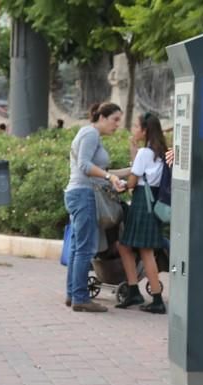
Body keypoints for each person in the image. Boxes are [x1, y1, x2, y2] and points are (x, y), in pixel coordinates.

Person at [65, 102, 126, 313]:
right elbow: (84, 165)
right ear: (102, 117)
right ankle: (80, 298)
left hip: (79, 193)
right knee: (85, 249)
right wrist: (109, 176)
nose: (117, 125)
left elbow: (91, 167)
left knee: (77, 247)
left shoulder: (88, 133)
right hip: (84, 195)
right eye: (115, 119)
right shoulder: (90, 134)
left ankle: (73, 294)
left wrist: (117, 176)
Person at [115, 113, 167, 313]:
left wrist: (122, 185)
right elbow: (141, 169)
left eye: (136, 126)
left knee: (144, 251)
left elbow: (133, 182)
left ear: (145, 130)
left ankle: (156, 299)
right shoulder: (160, 152)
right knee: (126, 246)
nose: (134, 129)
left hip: (141, 204)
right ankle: (135, 290)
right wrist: (133, 146)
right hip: (152, 204)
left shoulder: (145, 153)